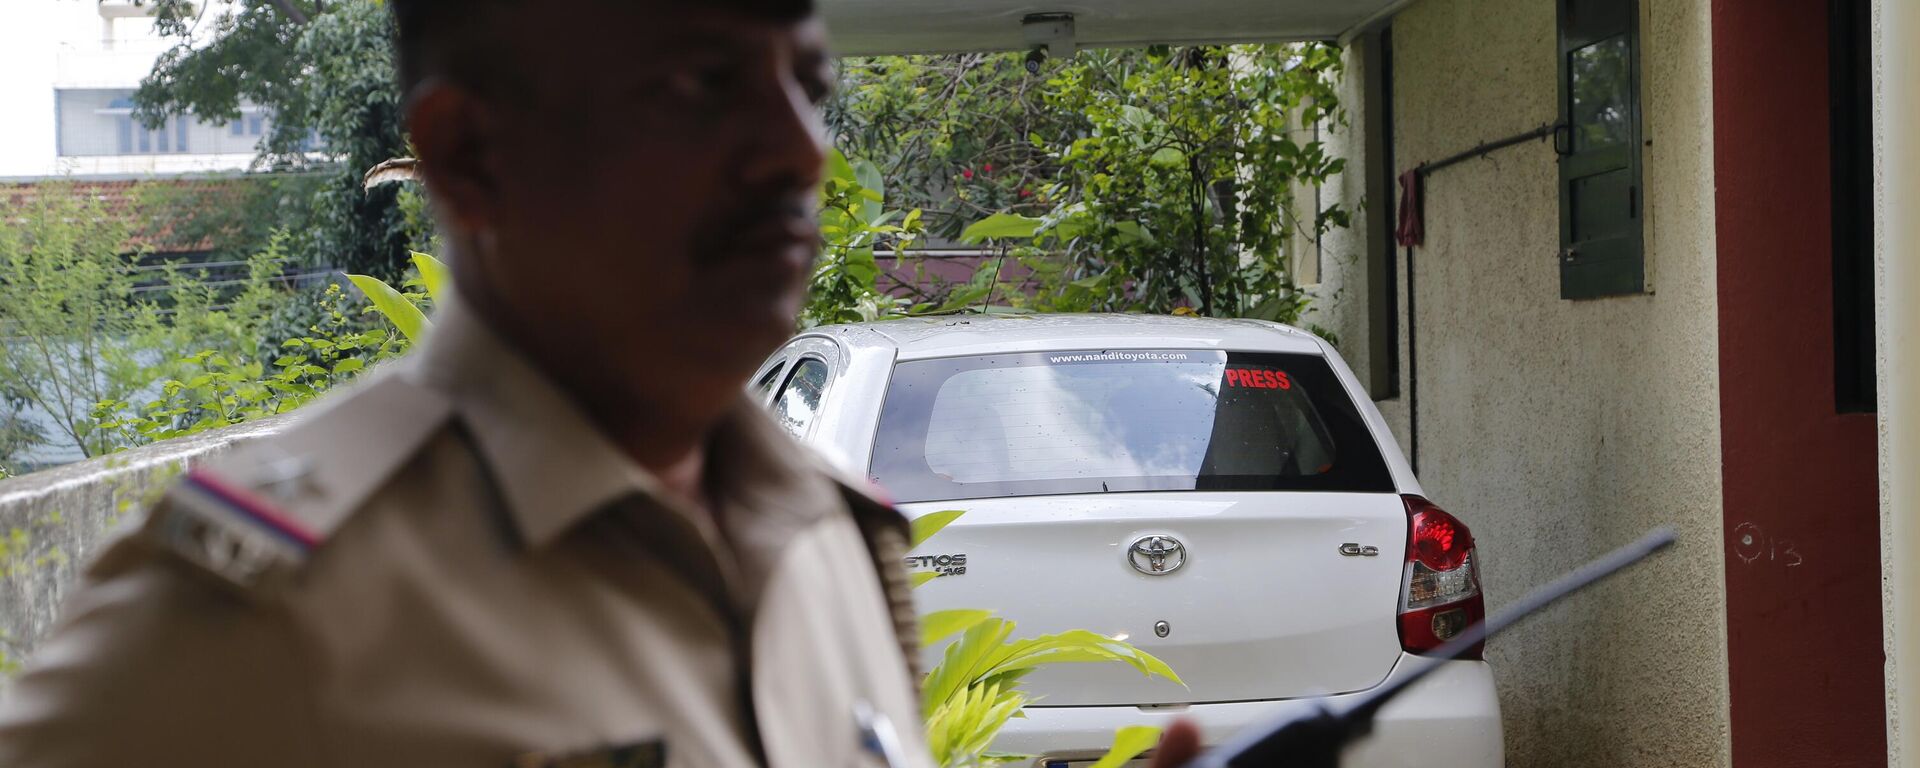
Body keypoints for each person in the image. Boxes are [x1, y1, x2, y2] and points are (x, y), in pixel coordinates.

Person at [0, 0, 1207, 765]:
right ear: (471, 156)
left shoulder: (829, 542)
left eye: (808, 86)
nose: (802, 152)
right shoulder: (270, 619)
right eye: (698, 85)